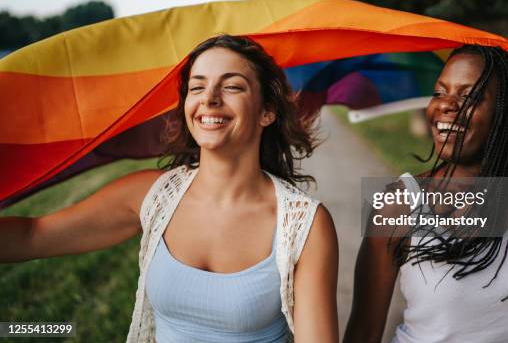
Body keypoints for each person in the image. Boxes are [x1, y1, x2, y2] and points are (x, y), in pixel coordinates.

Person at [0, 34, 339, 343]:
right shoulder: (151, 195)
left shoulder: (305, 225)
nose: (210, 99)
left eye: (232, 86)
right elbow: (33, 234)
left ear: (267, 111)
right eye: (196, 87)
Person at [343, 44, 508, 343]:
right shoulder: (399, 204)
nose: (445, 105)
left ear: (506, 113)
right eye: (439, 92)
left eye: (468, 96)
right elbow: (363, 333)